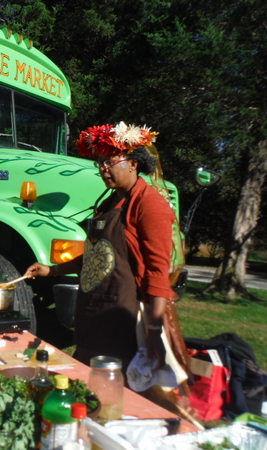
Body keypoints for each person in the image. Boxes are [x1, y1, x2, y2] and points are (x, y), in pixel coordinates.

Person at [25, 122, 190, 380]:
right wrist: (52, 270)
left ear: (133, 164)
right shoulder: (109, 201)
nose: (103, 169)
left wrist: (155, 331)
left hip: (121, 316)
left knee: (114, 387)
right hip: (92, 311)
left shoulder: (150, 205)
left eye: (109, 162)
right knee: (86, 383)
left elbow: (158, 272)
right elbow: (96, 256)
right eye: (99, 163)